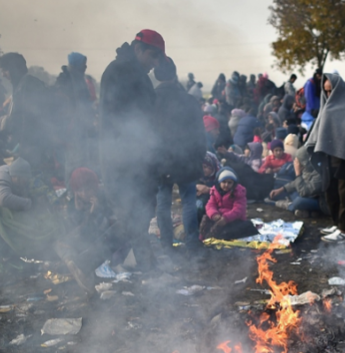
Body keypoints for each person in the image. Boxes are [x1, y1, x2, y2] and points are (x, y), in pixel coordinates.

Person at [99, 29, 164, 270]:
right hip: (126, 160)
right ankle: (84, 257)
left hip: (128, 157)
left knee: (137, 217)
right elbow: (134, 121)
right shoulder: (123, 72)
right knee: (131, 217)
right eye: (152, 56)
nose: (154, 64)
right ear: (138, 49)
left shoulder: (125, 70)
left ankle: (148, 265)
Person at [299, 74, 345, 242]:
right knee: (331, 195)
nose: (329, 94)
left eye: (332, 90)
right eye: (326, 91)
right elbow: (319, 132)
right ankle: (337, 224)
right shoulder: (326, 108)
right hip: (329, 159)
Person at [152, 56, 206, 250]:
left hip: (160, 161)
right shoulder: (189, 100)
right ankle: (192, 243)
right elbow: (200, 133)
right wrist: (200, 156)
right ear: (175, 74)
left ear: (157, 76)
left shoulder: (151, 99)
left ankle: (166, 245)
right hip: (187, 159)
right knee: (189, 201)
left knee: (163, 204)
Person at [0, 52, 54, 169]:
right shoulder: (21, 85)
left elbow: (30, 119)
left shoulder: (29, 86)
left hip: (33, 146)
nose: (3, 75)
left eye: (5, 70)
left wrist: (22, 146)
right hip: (27, 145)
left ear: (14, 69)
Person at [199, 168, 256, 240]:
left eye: (229, 182)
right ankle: (202, 236)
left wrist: (226, 218)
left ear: (233, 183)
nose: (226, 185)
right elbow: (210, 205)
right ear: (219, 182)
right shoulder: (215, 191)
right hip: (219, 216)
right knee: (206, 218)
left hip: (234, 219)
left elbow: (238, 209)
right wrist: (214, 214)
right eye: (224, 182)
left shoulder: (239, 192)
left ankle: (211, 239)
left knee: (219, 228)